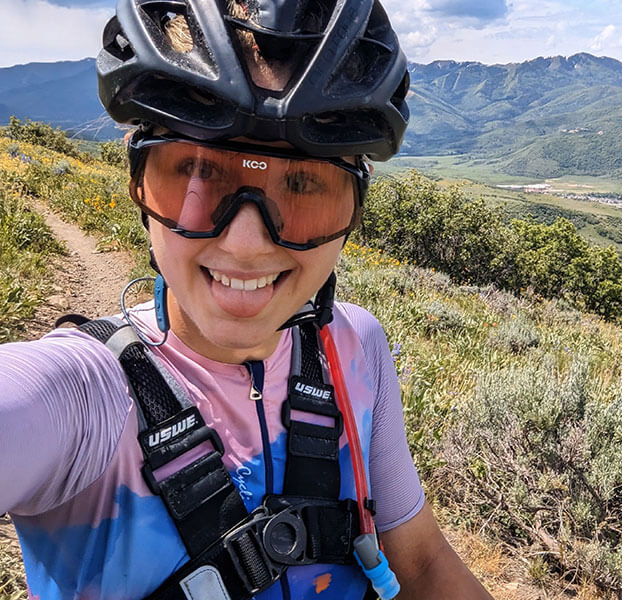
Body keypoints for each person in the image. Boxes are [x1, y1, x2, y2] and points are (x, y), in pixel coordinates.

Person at [0, 0, 494, 598]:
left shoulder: (356, 347)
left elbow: (421, 563)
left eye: (304, 185)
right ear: (137, 183)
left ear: (354, 211)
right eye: (198, 172)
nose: (246, 244)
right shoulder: (81, 396)